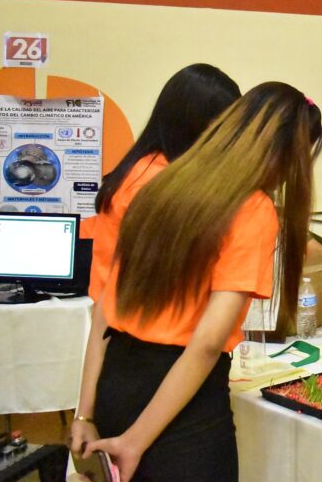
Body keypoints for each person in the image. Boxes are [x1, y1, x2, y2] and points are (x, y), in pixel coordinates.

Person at [71, 83, 322, 482]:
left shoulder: (159, 183)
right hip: (182, 406)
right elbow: (206, 344)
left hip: (117, 380)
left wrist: (84, 412)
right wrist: (136, 441)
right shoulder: (253, 209)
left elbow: (104, 311)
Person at [88, 63, 241, 303]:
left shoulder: (147, 169)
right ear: (192, 123)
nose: (227, 136)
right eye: (219, 124)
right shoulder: (153, 181)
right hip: (133, 313)